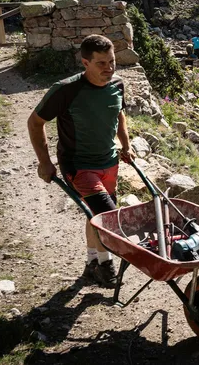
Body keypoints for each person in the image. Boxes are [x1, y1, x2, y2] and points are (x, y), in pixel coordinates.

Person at [27, 35, 136, 288]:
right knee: (107, 216)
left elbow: (119, 114)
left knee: (94, 213)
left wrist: (126, 146)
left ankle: (91, 265)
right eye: (101, 63)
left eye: (112, 62)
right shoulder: (66, 90)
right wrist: (44, 162)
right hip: (78, 165)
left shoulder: (117, 84)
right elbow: (35, 122)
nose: (108, 68)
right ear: (85, 62)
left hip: (109, 162)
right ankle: (105, 265)